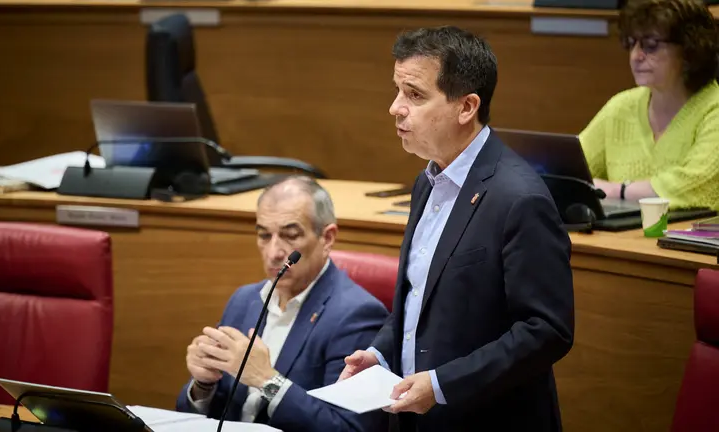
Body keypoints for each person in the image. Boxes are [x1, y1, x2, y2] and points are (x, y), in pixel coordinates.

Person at [339, 26, 575, 431]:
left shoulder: (519, 198)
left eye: (414, 95)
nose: (395, 107)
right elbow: (419, 302)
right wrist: (380, 355)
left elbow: (546, 331)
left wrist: (442, 384)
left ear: (466, 107)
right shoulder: (426, 182)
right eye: (397, 91)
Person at [176, 176, 389, 431]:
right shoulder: (243, 301)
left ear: (327, 237)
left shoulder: (356, 315)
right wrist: (203, 384)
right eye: (264, 236)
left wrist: (267, 381)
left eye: (290, 235)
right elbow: (195, 415)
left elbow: (347, 428)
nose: (274, 252)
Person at [579, 0, 719, 209]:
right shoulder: (621, 106)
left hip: (685, 239)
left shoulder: (713, 107)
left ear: (690, 50)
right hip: (620, 238)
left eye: (650, 45)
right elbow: (570, 170)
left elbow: (694, 185)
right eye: (631, 43)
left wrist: (617, 191)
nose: (636, 56)